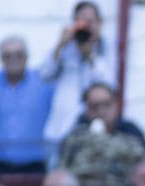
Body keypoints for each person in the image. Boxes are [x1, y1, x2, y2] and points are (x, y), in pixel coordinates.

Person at [41, 1, 118, 146]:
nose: (86, 27)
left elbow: (109, 84)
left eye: (90, 22)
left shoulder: (106, 48)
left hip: (93, 133)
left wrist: (90, 55)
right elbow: (45, 74)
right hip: (61, 129)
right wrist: (59, 45)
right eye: (80, 22)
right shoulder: (66, 47)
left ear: (100, 23)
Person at [0, 37, 54, 174]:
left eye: (19, 54)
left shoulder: (45, 82)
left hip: (34, 165)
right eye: (7, 55)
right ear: (0, 58)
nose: (13, 59)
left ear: (27, 56)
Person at [58, 82, 145, 167]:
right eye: (94, 106)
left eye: (107, 104)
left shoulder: (132, 133)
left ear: (116, 105)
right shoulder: (75, 138)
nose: (101, 111)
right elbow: (62, 170)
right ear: (86, 109)